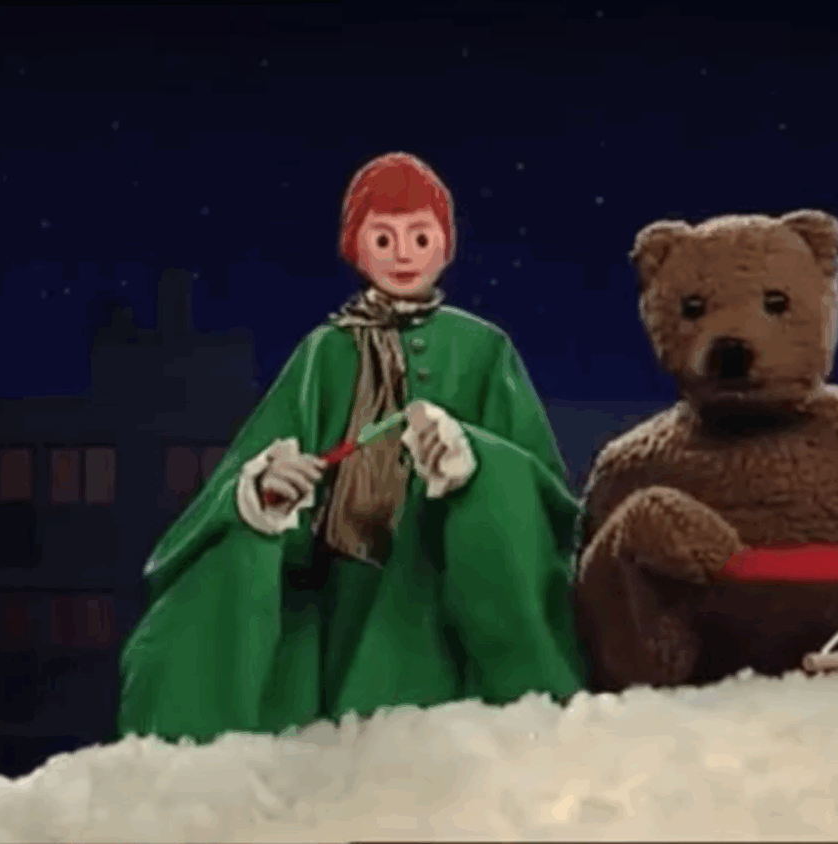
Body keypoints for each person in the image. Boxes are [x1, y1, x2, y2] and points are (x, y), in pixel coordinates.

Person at [116, 152, 587, 743]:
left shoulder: (485, 351)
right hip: (339, 599)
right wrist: (265, 489)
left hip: (441, 594)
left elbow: (544, 495)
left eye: (420, 236)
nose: (403, 253)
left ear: (446, 245)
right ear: (355, 247)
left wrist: (475, 461)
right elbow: (249, 466)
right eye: (384, 238)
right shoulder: (323, 353)